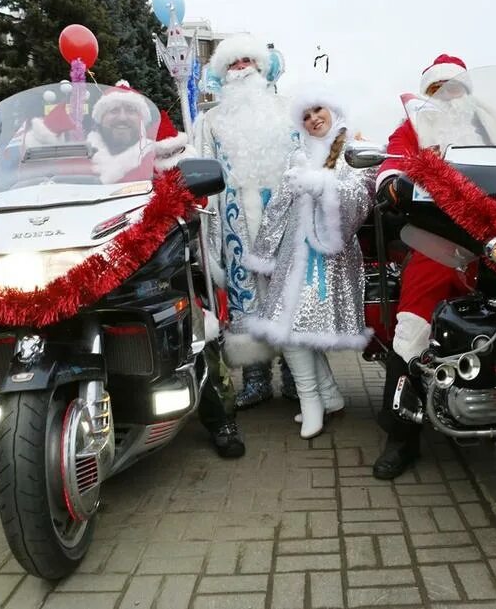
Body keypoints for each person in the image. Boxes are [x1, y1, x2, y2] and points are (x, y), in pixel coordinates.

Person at [371, 51, 496, 480]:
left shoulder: (495, 126)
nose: (448, 95)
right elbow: (392, 164)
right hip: (440, 240)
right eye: (438, 88)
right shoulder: (414, 128)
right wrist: (394, 186)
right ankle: (401, 436)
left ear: (468, 91)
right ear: (428, 94)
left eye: (454, 86)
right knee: (412, 327)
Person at [244, 85, 373, 438]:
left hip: (330, 259)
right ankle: (324, 397)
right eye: (306, 116)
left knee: (296, 329)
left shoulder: (354, 149)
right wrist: (264, 253)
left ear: (331, 108)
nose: (313, 119)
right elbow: (279, 205)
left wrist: (322, 187)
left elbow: (362, 200)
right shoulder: (296, 154)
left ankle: (312, 401)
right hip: (292, 254)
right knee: (288, 329)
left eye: (318, 110)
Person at [199, 34, 299, 410]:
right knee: (247, 294)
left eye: (247, 63)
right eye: (233, 65)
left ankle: (296, 373)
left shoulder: (287, 109)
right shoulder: (211, 121)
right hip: (234, 219)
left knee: (286, 293)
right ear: (223, 74)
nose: (241, 70)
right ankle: (256, 378)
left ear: (261, 67)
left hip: (282, 217)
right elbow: (205, 169)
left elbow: (304, 157)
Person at [153, 110, 246, 458]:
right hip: (108, 269)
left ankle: (221, 417)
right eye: (111, 117)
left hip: (167, 266)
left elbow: (200, 200)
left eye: (125, 116)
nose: (118, 123)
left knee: (196, 328)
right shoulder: (99, 165)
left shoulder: (170, 159)